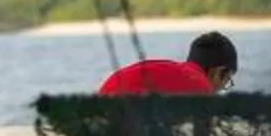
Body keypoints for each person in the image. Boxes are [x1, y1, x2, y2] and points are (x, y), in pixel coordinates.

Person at [96, 32, 239, 96]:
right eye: (226, 82)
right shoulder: (200, 85)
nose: (220, 90)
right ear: (218, 72)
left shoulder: (177, 72)